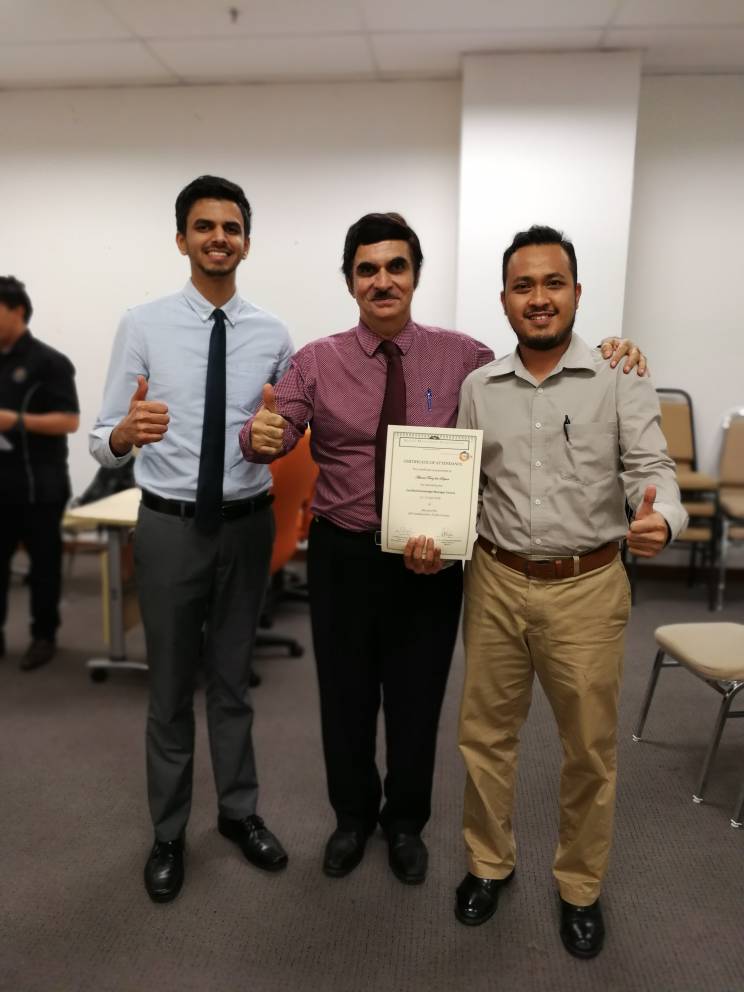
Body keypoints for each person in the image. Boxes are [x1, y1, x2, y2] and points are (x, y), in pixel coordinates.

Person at [241, 212, 643, 886]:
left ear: (415, 275)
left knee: (418, 698)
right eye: (367, 269)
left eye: (396, 266)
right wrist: (259, 436)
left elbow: (535, 371)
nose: (383, 281)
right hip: (344, 555)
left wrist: (611, 351)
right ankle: (351, 819)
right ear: (350, 281)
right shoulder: (315, 360)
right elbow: (277, 430)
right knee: (343, 697)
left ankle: (405, 824)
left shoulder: (465, 358)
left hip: (430, 559)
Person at [451, 225, 687, 957]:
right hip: (494, 580)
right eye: (523, 286)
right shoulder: (479, 388)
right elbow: (461, 488)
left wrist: (665, 521)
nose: (539, 298)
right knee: (485, 737)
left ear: (577, 292)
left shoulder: (620, 377)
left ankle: (580, 886)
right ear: (504, 299)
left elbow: (654, 469)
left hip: (586, 587)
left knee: (588, 749)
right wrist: (432, 536)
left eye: (553, 283)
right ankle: (488, 864)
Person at [90, 175, 293, 903]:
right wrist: (124, 432)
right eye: (204, 226)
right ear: (182, 240)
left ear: (246, 242)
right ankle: (169, 832)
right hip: (170, 526)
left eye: (231, 227)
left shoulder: (273, 334)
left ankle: (238, 813)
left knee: (233, 682)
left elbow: (285, 428)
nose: (218, 238)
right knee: (171, 688)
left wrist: (278, 437)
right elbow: (101, 439)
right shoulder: (142, 324)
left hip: (247, 526)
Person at [0, 276, 80, 671]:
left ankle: (44, 636)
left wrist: (15, 421)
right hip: (1, 484)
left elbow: (70, 421)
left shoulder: (49, 362)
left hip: (40, 485)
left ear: (17, 310)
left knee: (44, 566)